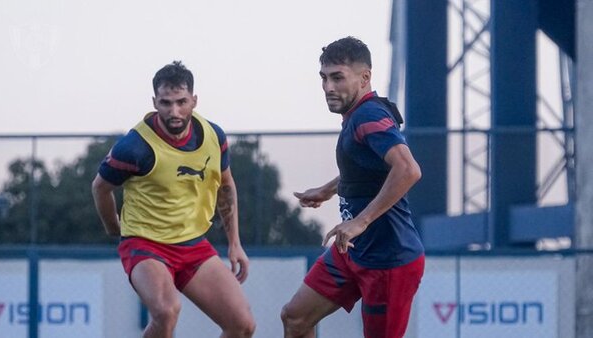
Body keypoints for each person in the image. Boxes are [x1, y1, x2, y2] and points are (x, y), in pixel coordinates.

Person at [91, 61, 255, 338]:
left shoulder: (214, 136)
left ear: (194, 100)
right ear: (154, 102)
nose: (174, 111)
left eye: (181, 102)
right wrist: (113, 227)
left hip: (193, 245)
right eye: (166, 103)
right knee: (166, 311)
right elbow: (100, 187)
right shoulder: (135, 146)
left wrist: (235, 243)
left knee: (242, 326)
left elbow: (225, 186)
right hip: (145, 244)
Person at [281, 37, 425, 338]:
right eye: (324, 77)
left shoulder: (368, 116)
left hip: (388, 260)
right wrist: (328, 189)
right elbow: (367, 169)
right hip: (352, 251)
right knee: (295, 318)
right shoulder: (357, 116)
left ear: (364, 78)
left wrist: (360, 221)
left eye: (337, 77)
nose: (328, 87)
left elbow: (408, 169)